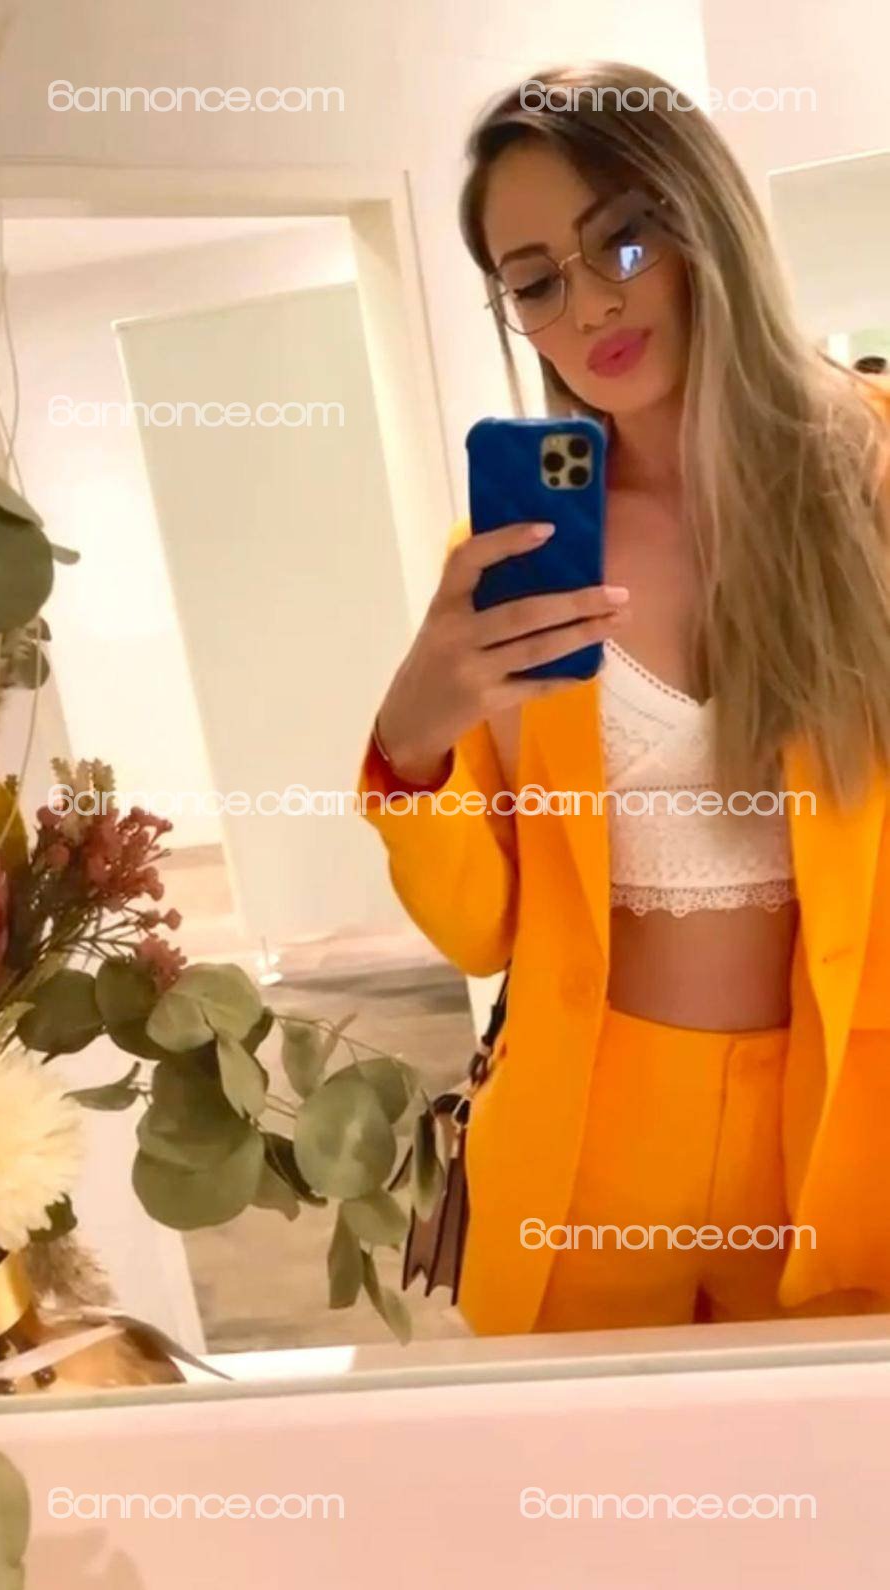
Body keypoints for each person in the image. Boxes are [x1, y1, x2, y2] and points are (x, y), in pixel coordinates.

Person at [355, 62, 890, 1336]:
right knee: (584, 1456)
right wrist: (411, 747)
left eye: (624, 241)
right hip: (590, 1127)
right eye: (535, 281)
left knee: (829, 1457)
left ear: (706, 220)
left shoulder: (871, 483)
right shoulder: (516, 554)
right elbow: (481, 931)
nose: (590, 301)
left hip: (842, 1115)